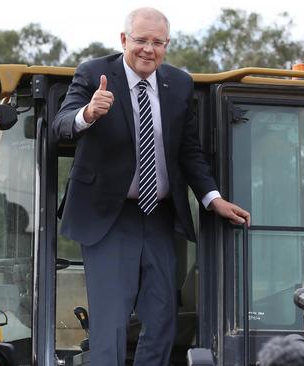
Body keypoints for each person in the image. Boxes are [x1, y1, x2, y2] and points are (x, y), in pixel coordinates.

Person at [52, 6, 250, 366]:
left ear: (167, 45)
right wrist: (88, 114)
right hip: (108, 217)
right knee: (110, 323)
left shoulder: (179, 84)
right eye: (141, 40)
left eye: (157, 42)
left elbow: (188, 151)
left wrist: (212, 198)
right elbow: (59, 125)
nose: (149, 49)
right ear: (124, 40)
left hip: (158, 217)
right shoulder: (94, 74)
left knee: (162, 318)